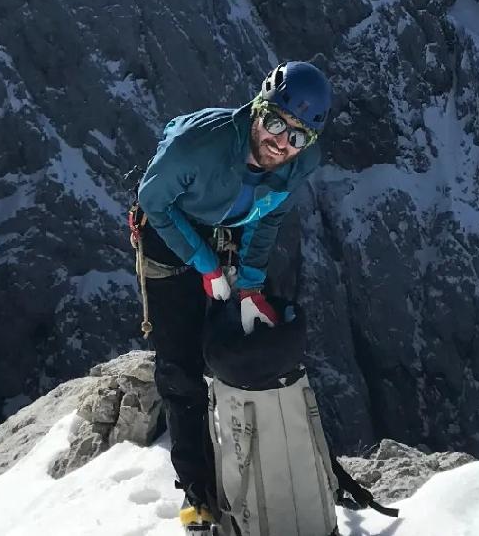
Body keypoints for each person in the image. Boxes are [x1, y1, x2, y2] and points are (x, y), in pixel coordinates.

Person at [131, 61, 332, 533]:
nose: (281, 143)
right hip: (169, 227)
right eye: (277, 123)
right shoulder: (197, 146)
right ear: (259, 110)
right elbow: (154, 201)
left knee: (239, 343)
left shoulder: (300, 163)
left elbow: (268, 215)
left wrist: (251, 284)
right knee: (179, 363)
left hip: (228, 225)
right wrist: (205, 265)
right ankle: (197, 491)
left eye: (297, 137)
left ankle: (259, 461)